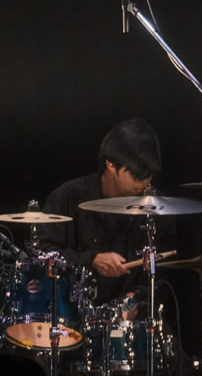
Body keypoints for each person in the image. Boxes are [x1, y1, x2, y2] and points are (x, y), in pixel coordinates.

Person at [42, 118, 162, 306]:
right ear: (111, 164)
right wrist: (91, 260)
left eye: (148, 176)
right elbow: (42, 252)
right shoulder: (67, 197)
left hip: (128, 318)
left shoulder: (154, 206)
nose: (144, 183)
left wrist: (137, 297)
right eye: (137, 175)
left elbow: (164, 272)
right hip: (70, 312)